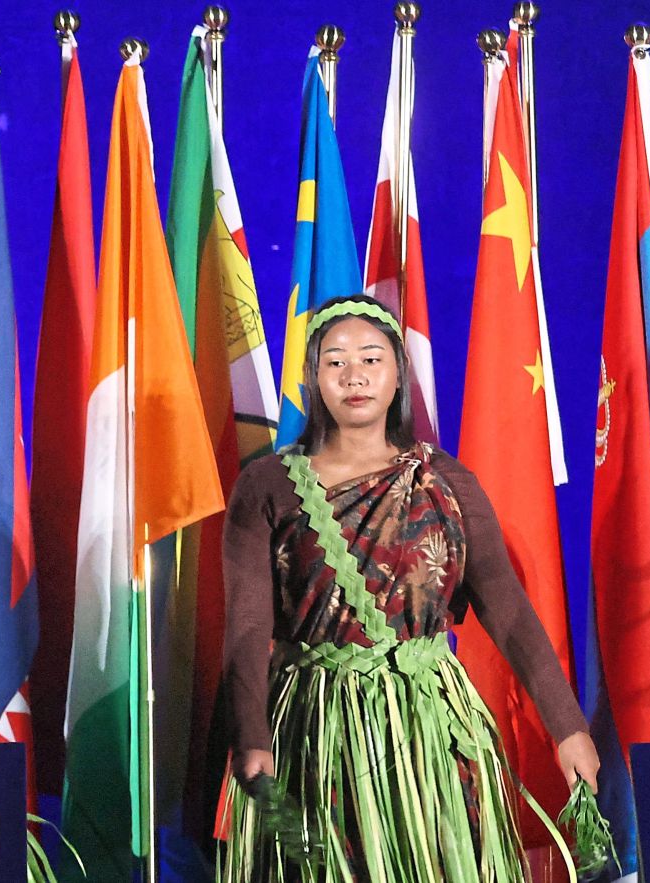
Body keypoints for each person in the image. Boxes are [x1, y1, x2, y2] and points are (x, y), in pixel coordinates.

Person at [219, 295, 600, 881]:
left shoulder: (447, 483)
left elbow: (511, 612)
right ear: (313, 377)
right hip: (317, 734)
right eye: (336, 361)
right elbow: (245, 629)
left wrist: (568, 727)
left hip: (427, 735)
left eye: (371, 359)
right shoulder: (267, 486)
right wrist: (251, 739)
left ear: (398, 374)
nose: (355, 376)